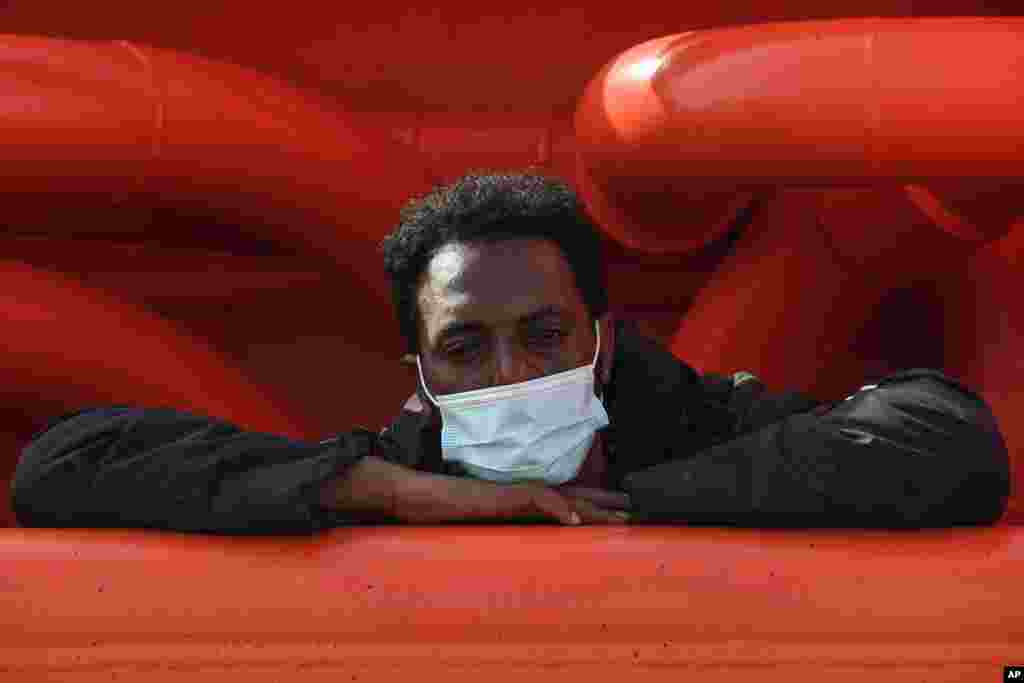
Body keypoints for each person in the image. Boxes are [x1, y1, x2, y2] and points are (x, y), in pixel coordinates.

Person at [10, 173, 1010, 534]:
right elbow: (65, 461)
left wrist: (637, 506)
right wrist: (394, 495)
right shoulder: (390, 477)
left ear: (600, 338)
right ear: (420, 375)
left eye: (543, 337)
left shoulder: (709, 423)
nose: (511, 377)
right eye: (464, 347)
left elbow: (946, 436)